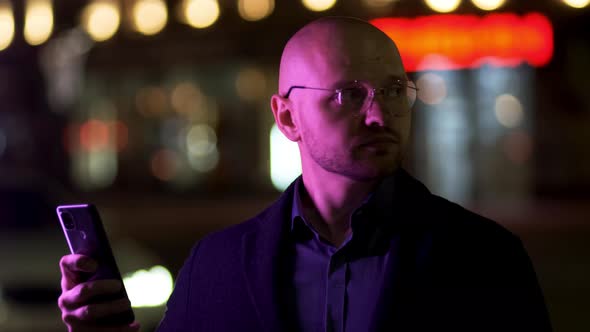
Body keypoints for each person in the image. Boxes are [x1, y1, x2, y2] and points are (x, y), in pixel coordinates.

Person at [58, 17, 552, 332]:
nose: (381, 116)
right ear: (287, 117)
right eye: (349, 95)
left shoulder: (486, 257)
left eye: (395, 90)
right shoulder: (218, 264)